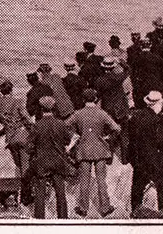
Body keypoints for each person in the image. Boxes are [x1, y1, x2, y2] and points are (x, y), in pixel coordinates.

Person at [66, 88, 120, 218]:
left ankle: (83, 208)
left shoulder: (78, 114)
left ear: (83, 99)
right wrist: (106, 137)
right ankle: (105, 208)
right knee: (101, 180)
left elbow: (65, 125)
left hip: (84, 150)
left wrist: (74, 135)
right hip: (100, 149)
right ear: (95, 99)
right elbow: (117, 128)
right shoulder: (102, 113)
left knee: (84, 180)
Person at [127, 91, 163, 218]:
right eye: (160, 103)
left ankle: (136, 209)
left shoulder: (136, 116)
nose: (161, 106)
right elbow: (162, 142)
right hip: (152, 160)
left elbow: (131, 137)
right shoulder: (156, 120)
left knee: (138, 184)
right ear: (156, 105)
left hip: (137, 158)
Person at [26, 96, 72, 219]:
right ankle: (63, 219)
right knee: (60, 193)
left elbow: (28, 146)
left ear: (41, 109)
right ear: (53, 108)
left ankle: (39, 220)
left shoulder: (37, 125)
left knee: (40, 193)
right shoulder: (61, 124)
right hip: (58, 161)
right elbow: (67, 141)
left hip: (42, 163)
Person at [94, 56, 130, 163]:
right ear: (113, 67)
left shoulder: (99, 80)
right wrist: (122, 62)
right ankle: (125, 159)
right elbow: (128, 70)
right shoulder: (118, 77)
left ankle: (109, 159)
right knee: (124, 134)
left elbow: (98, 95)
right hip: (121, 108)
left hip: (108, 109)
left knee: (110, 134)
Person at [0, 80, 33, 177]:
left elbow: (1, 121)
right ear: (11, 90)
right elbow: (26, 118)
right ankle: (26, 189)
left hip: (10, 138)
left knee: (18, 165)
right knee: (26, 166)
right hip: (21, 135)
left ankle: (18, 188)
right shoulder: (17, 102)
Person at [130, 38, 163, 109]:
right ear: (150, 45)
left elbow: (132, 72)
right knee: (155, 102)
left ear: (141, 46)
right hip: (155, 83)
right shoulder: (156, 57)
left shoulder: (137, 58)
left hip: (142, 85)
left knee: (142, 104)